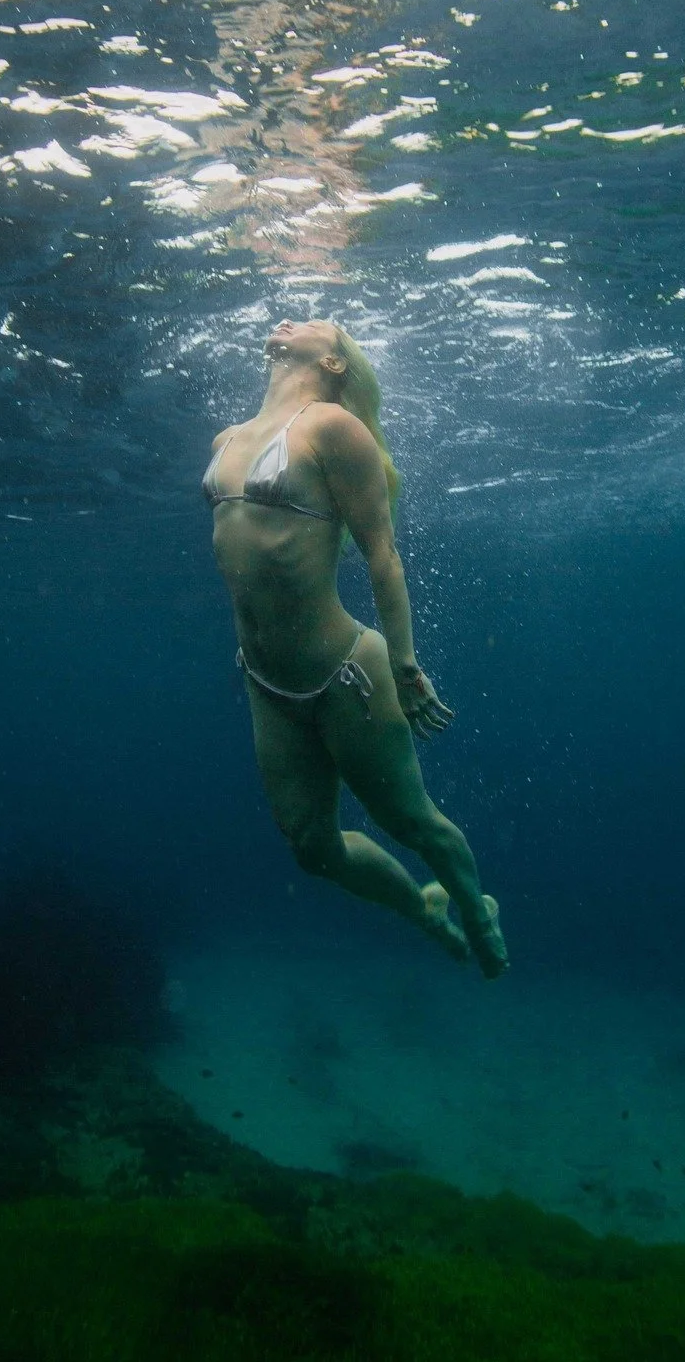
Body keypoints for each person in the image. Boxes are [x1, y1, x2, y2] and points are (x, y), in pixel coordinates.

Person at [203, 318, 508, 978]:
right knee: (311, 847)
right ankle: (422, 910)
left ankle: (478, 913)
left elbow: (383, 555)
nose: (291, 317)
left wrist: (403, 662)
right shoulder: (228, 439)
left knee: (412, 822)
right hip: (267, 683)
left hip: (346, 674)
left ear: (337, 362)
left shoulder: (333, 429)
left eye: (317, 321)